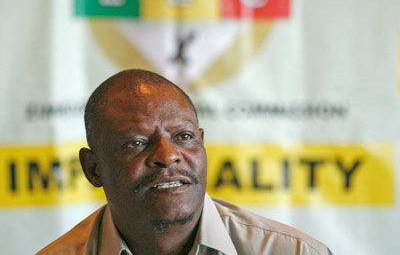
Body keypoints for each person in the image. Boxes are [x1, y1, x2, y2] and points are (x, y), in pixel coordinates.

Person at [37, 69, 332, 255]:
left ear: (202, 142)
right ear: (93, 168)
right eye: (136, 143)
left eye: (184, 136)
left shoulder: (294, 252)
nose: (168, 156)